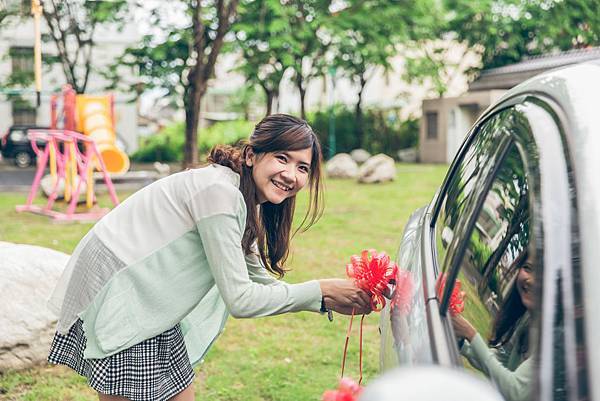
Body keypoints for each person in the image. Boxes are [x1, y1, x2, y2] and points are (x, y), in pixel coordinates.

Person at [47, 114, 373, 401]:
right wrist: (320, 289)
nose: (291, 174)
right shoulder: (220, 193)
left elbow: (257, 280)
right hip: (125, 292)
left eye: (302, 167)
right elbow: (241, 299)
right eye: (282, 158)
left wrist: (328, 298)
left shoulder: (242, 199)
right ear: (251, 156)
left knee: (178, 389)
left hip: (152, 296)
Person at [451, 250, 534, 401]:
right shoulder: (528, 319)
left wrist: (470, 333)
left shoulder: (556, 338)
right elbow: (498, 361)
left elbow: (515, 390)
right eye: (528, 268)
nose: (531, 280)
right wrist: (462, 343)